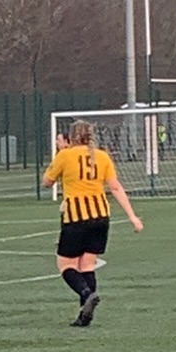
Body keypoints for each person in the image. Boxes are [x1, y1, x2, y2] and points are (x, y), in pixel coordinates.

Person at [42, 120, 143, 327]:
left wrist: (60, 152)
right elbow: (115, 187)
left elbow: (47, 182)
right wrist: (132, 216)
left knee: (65, 265)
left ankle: (86, 293)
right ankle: (84, 315)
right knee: (87, 265)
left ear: (70, 137)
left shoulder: (65, 155)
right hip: (101, 216)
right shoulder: (103, 156)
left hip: (76, 217)